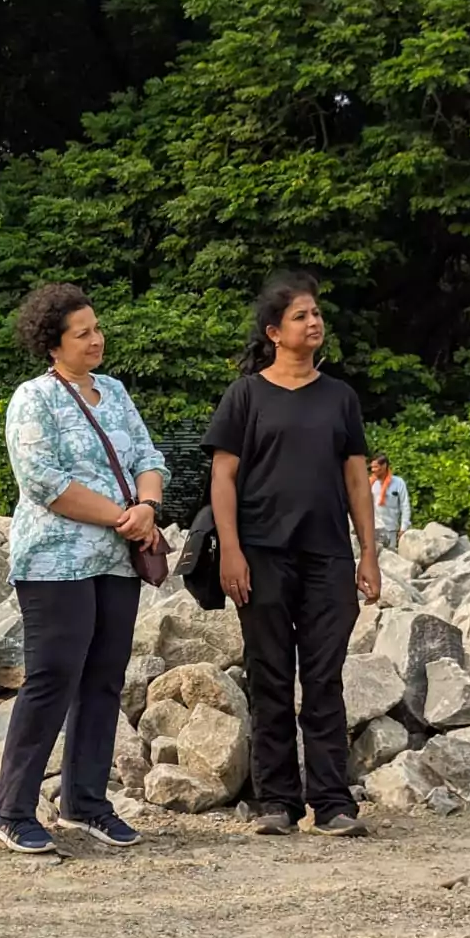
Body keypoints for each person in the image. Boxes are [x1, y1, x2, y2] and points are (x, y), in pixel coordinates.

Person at [204, 271, 381, 838]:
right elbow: (223, 478)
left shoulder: (341, 398)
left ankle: (332, 801)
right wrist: (231, 550)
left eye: (316, 314)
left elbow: (358, 482)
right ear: (274, 331)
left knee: (324, 678)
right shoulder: (246, 396)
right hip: (261, 554)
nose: (315, 322)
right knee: (271, 675)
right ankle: (275, 802)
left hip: (327, 555)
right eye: (301, 316)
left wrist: (369, 553)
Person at [0, 283, 168, 854]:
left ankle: (85, 803)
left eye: (96, 328)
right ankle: (13, 809)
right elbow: (42, 481)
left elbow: (147, 456)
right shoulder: (33, 398)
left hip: (117, 559)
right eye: (82, 333)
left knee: (103, 679)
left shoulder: (114, 392)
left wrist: (147, 507)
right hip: (55, 561)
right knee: (51, 678)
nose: (96, 339)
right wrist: (125, 515)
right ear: (53, 343)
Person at [369, 454, 411, 553]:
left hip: (391, 529)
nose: (373, 470)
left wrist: (403, 528)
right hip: (374, 529)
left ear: (384, 466)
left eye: (376, 467)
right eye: (372, 467)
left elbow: (405, 505)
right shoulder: (370, 483)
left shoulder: (398, 483)